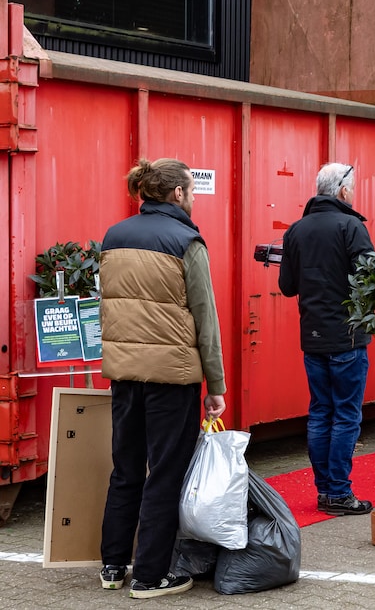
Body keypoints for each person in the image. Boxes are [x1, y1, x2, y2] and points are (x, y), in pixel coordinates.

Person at [99, 158, 226, 598]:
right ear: (177, 194)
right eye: (190, 190)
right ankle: (151, 577)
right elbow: (205, 318)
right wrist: (217, 386)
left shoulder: (114, 236)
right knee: (165, 474)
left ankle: (113, 567)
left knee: (126, 469)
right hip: (172, 378)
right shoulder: (187, 240)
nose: (192, 198)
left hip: (124, 375)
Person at [279, 162, 375, 514]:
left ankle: (325, 491)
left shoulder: (296, 230)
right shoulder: (351, 226)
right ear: (343, 191)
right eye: (354, 188)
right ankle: (338, 492)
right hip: (347, 336)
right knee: (347, 415)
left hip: (313, 336)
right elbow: (370, 280)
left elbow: (287, 286)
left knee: (320, 412)